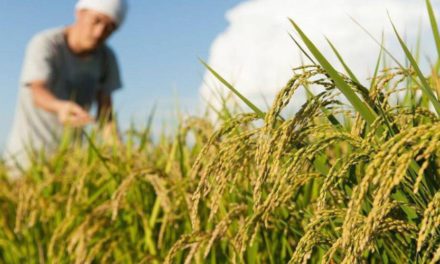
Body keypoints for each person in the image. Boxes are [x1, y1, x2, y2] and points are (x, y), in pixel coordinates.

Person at [3, 0, 128, 179]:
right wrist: (60, 107)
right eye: (96, 21)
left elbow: (105, 114)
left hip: (71, 164)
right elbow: (37, 91)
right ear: (80, 13)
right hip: (26, 161)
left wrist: (122, 155)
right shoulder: (46, 43)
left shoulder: (107, 58)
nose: (99, 33)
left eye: (109, 28)